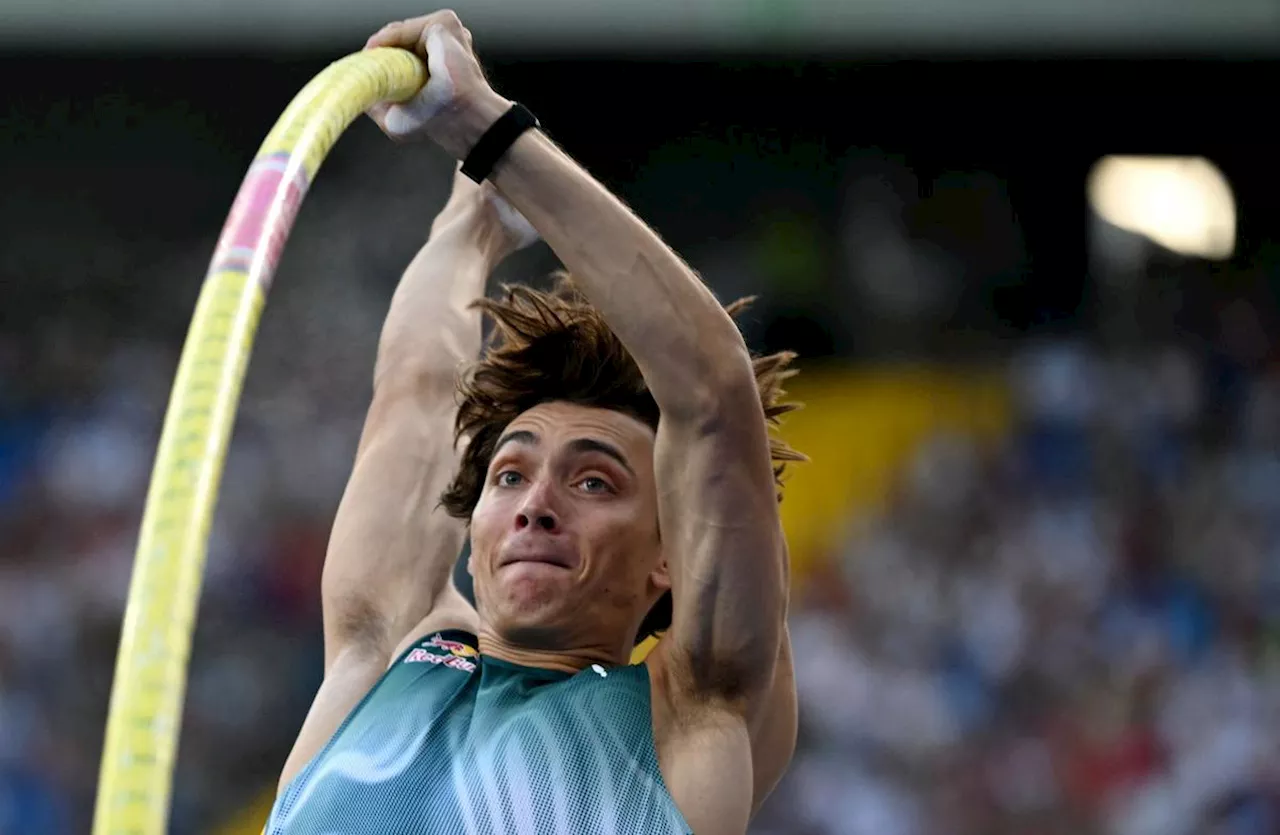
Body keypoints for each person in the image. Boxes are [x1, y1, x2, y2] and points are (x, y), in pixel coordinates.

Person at [266, 10, 804, 834]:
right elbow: (414, 391)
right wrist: (471, 223)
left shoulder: (693, 715)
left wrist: (479, 124)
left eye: (594, 479)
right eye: (509, 473)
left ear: (670, 556)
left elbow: (712, 393)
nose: (535, 502)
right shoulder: (383, 657)